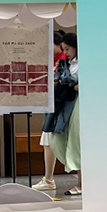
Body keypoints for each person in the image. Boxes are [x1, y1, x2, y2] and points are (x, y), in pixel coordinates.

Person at [37, 33, 81, 195]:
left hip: (77, 104)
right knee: (59, 140)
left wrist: (73, 86)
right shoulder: (66, 63)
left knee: (76, 142)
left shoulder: (81, 63)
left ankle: (81, 183)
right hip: (65, 105)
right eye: (64, 49)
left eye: (67, 49)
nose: (66, 52)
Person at [33, 30, 68, 190]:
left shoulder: (64, 61)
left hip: (61, 106)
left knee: (49, 140)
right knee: (47, 141)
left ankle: (49, 179)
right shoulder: (50, 59)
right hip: (52, 104)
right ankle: (48, 178)